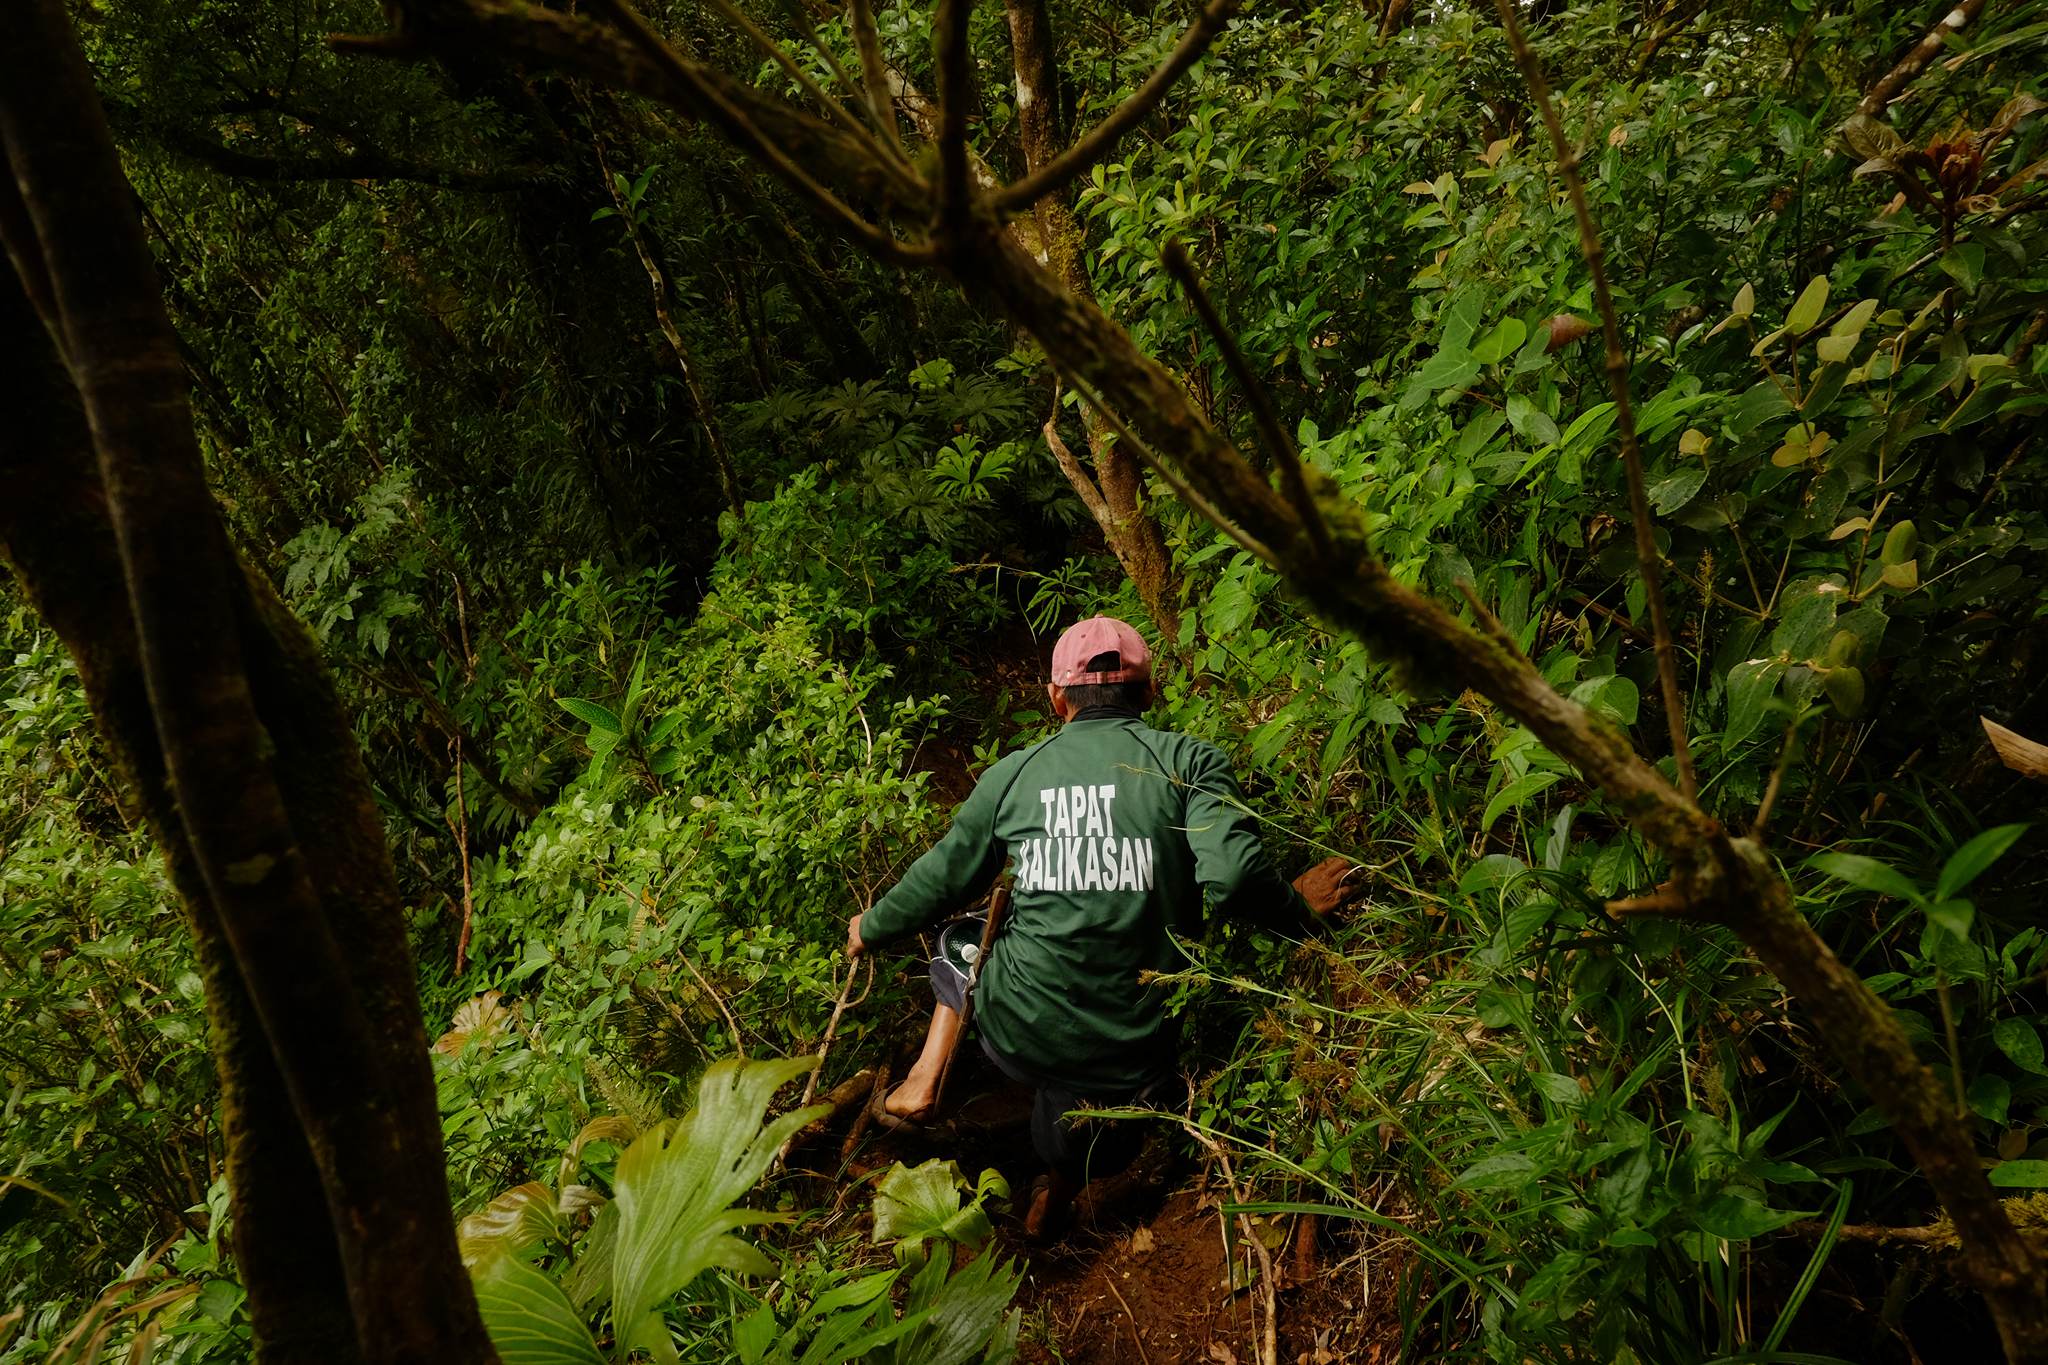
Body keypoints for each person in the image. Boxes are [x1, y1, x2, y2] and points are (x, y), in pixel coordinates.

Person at [844, 615, 1355, 1236]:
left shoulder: (1014, 774)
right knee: (1091, 1113)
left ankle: (925, 1078)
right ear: (1148, 693)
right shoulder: (1189, 761)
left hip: (1020, 1033)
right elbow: (1238, 878)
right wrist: (1298, 912)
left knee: (965, 933)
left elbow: (944, 878)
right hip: (1140, 1044)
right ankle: (1055, 1199)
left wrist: (870, 926)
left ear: (1057, 698)